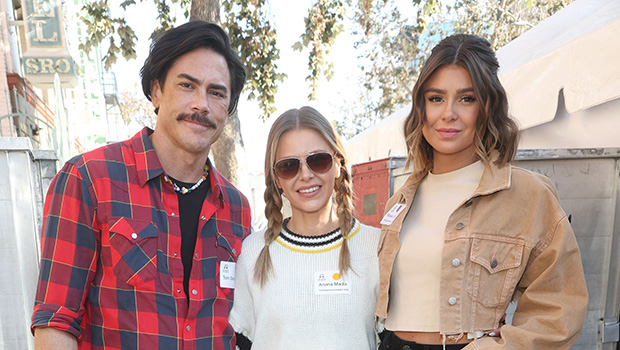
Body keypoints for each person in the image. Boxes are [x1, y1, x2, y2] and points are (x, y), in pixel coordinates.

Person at [31, 21, 251, 350]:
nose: (201, 104)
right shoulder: (89, 179)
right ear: (157, 90)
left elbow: (239, 326)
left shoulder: (236, 208)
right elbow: (55, 322)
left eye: (216, 92)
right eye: (187, 86)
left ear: (228, 107)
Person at [376, 34, 588, 350]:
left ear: (487, 106)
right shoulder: (400, 201)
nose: (448, 113)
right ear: (421, 106)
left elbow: (559, 306)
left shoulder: (527, 195)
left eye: (466, 98)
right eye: (436, 98)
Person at [229, 106, 381, 349]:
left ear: (338, 164)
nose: (306, 175)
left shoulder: (377, 247)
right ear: (276, 178)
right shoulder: (254, 252)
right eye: (289, 166)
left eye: (318, 160)